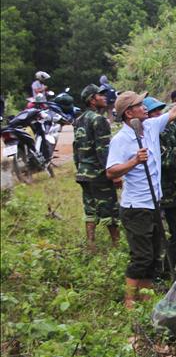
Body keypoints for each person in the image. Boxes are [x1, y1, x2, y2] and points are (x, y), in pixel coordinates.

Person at [106, 74, 176, 309]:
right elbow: (111, 172)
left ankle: (145, 298)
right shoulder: (121, 139)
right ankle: (129, 302)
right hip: (136, 208)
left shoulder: (150, 126)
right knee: (142, 256)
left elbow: (175, 112)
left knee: (155, 252)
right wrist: (134, 161)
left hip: (154, 204)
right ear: (129, 113)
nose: (144, 107)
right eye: (139, 105)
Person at [144, 96, 176, 279]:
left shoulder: (169, 128)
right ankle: (156, 273)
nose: (157, 114)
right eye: (152, 112)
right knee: (156, 237)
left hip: (175, 193)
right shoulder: (146, 135)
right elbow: (168, 159)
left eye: (159, 110)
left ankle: (165, 271)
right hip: (155, 195)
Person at [73, 84, 121, 251]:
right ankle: (116, 245)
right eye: (100, 95)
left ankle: (91, 244)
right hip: (98, 173)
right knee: (110, 208)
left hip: (83, 173)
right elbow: (103, 150)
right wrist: (113, 173)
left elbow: (76, 148)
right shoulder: (99, 120)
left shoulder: (78, 120)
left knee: (90, 208)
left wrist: (79, 168)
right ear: (92, 100)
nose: (105, 97)